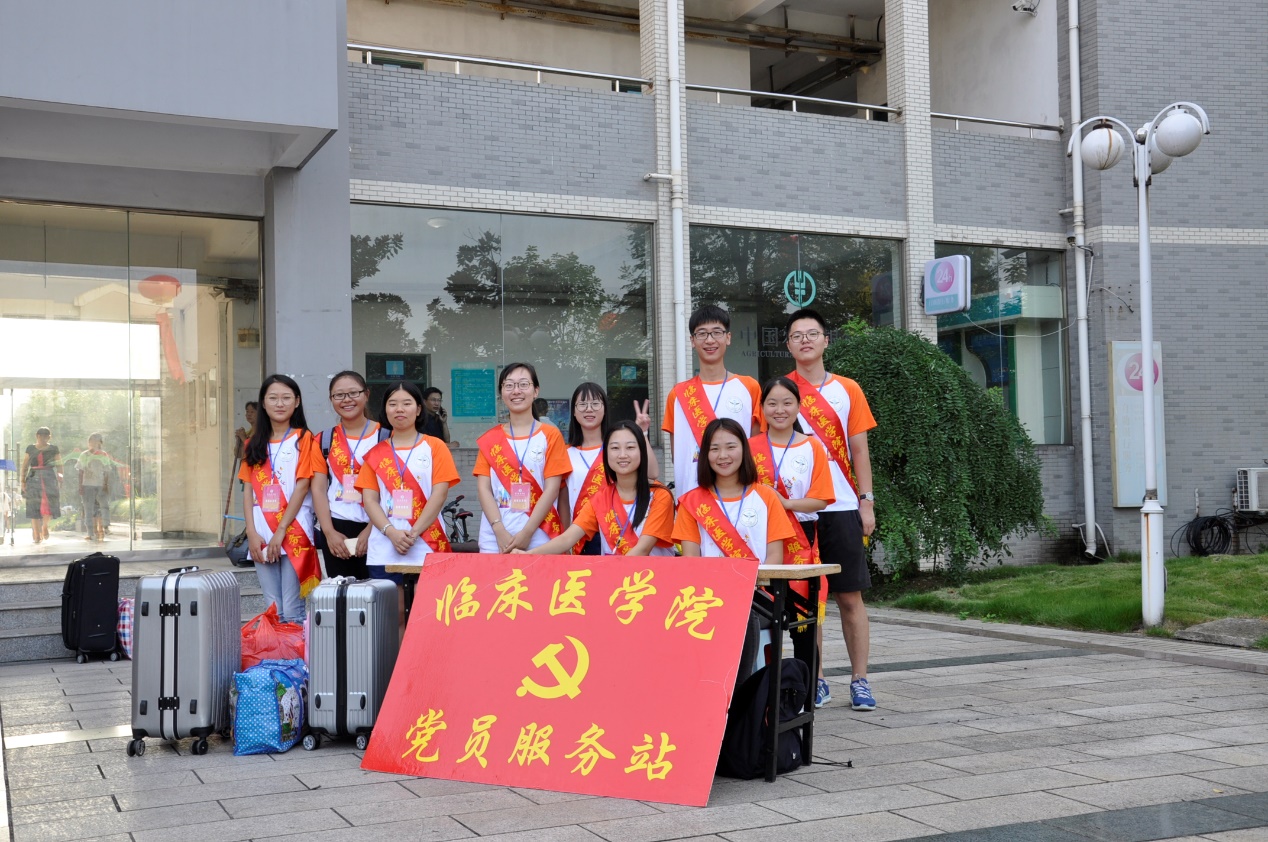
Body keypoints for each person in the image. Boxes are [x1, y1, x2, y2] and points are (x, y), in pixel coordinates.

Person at [784, 307, 879, 712]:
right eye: (797, 335)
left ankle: (860, 679)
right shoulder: (779, 391)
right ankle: (816, 678)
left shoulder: (848, 389)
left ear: (826, 340)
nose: (805, 340)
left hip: (841, 506)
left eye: (812, 333)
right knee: (807, 601)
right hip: (798, 511)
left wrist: (866, 501)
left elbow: (859, 450)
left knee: (849, 597)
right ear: (788, 345)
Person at [751, 377, 836, 707]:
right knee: (763, 620)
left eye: (787, 402)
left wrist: (784, 503)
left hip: (801, 538)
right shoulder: (750, 446)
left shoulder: (812, 447)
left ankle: (805, 693)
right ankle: (763, 693)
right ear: (762, 408)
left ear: (798, 406)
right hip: (759, 538)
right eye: (771, 403)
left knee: (802, 623)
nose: (779, 409)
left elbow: (822, 498)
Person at [357, 380, 459, 603]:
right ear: (385, 409)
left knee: (428, 611)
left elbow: (439, 494)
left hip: (427, 542)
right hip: (385, 545)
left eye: (406, 403)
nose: (399, 409)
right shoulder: (375, 453)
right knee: (392, 615)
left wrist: (413, 533)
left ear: (419, 409)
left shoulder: (435, 446)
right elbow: (370, 500)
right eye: (393, 404)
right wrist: (391, 532)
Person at [239, 375, 324, 623]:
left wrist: (281, 531)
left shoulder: (305, 439)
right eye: (273, 398)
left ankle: (295, 650)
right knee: (273, 607)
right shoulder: (252, 444)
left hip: (294, 530)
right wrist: (251, 532)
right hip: (261, 532)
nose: (279, 403)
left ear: (296, 402)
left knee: (292, 608)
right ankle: (276, 649)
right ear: (263, 403)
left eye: (286, 398)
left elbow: (302, 486)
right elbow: (248, 491)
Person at [523, 421, 674, 556]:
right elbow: (567, 539)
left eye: (630, 447)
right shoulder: (601, 498)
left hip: (648, 577)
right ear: (606, 454)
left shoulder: (660, 496)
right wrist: (527, 555)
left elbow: (643, 549)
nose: (622, 455)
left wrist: (613, 574)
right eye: (615, 448)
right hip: (613, 577)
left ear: (641, 451)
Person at [662, 305, 761, 495]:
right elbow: (678, 455)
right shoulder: (678, 394)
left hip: (740, 496)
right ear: (692, 341)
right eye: (702, 334)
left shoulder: (749, 387)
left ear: (728, 337)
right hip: (692, 496)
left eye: (716, 332)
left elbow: (756, 449)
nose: (709, 340)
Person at [474, 363, 571, 553]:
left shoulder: (551, 435)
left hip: (539, 535)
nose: (516, 391)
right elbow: (484, 489)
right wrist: (499, 530)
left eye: (523, 384)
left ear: (536, 391)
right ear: (501, 393)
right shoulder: (490, 439)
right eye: (509, 385)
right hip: (494, 537)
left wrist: (527, 532)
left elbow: (552, 489)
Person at [672, 418, 793, 563]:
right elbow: (691, 560)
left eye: (730, 447)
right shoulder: (691, 502)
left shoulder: (767, 497)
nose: (723, 455)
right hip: (709, 578)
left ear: (744, 449)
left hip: (759, 578)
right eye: (714, 449)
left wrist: (757, 579)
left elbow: (775, 556)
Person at [560, 382, 659, 555]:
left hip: (617, 529)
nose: (589, 409)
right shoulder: (565, 453)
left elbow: (652, 474)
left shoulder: (616, 448)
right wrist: (565, 539)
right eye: (582, 404)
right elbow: (563, 500)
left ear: (605, 409)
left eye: (595, 403)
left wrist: (641, 433)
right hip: (582, 535)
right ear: (574, 412)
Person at [311, 371, 384, 580]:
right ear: (331, 399)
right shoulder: (323, 440)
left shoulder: (385, 436)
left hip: (377, 525)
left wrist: (372, 530)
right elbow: (318, 489)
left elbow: (391, 490)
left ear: (366, 394)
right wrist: (329, 533)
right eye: (339, 395)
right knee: (342, 593)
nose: (347, 400)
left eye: (353, 393)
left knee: (378, 592)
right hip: (337, 526)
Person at [21, 427, 60, 544]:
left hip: (49, 477)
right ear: (37, 436)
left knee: (49, 504)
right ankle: (37, 534)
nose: (43, 438)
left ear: (49, 437)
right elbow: (25, 465)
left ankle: (45, 526)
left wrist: (60, 478)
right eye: (40, 436)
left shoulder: (53, 448)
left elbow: (60, 465)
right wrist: (22, 481)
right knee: (33, 506)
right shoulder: (30, 448)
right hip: (33, 477)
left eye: (45, 436)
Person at [78, 433, 114, 542]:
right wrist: (80, 486)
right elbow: (80, 471)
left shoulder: (103, 455)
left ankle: (105, 526)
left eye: (96, 441)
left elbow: (107, 471)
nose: (93, 443)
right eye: (91, 441)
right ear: (89, 442)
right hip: (87, 485)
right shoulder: (84, 455)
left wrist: (106, 485)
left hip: (100, 485)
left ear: (100, 443)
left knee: (104, 506)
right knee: (88, 509)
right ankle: (90, 533)